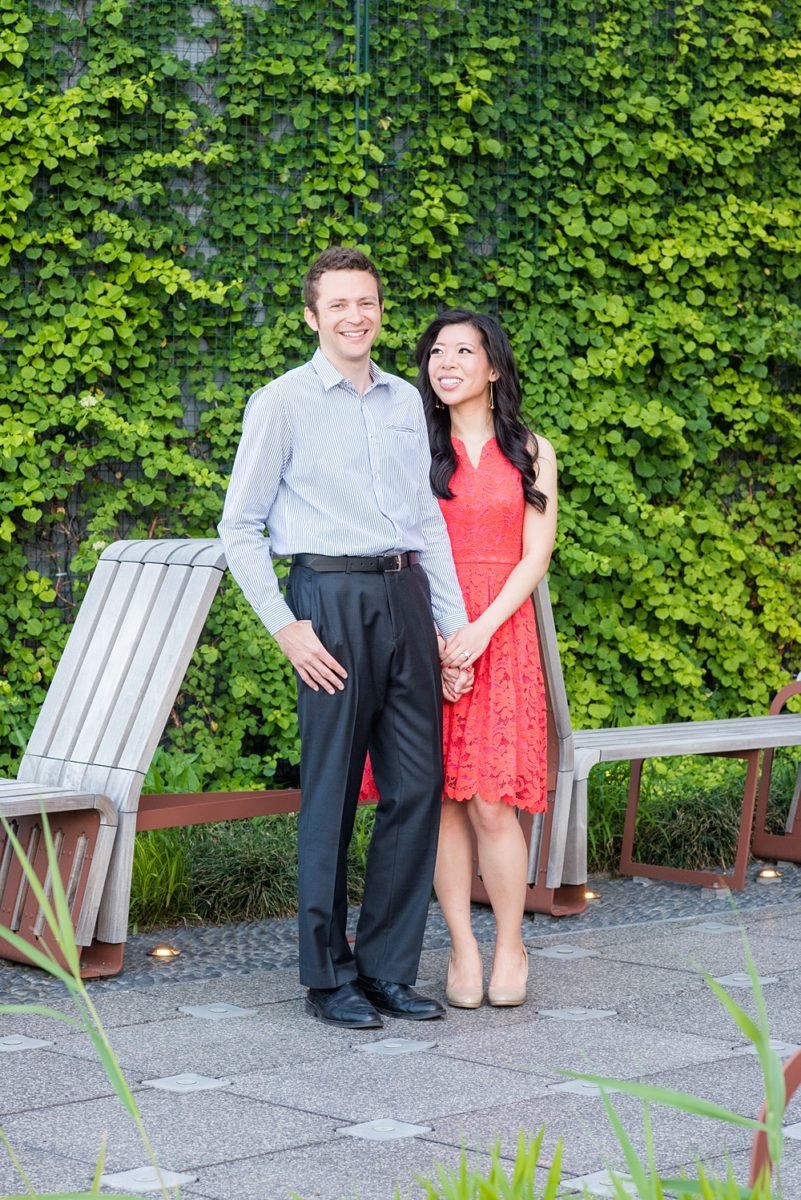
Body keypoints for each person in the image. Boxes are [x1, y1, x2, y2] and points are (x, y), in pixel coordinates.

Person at [218, 247, 469, 1031]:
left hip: (403, 593)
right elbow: (239, 525)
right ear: (312, 316)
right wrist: (286, 626)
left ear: (378, 309)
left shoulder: (403, 400)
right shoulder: (281, 402)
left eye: (366, 302)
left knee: (416, 787)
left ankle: (388, 969)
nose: (354, 316)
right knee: (329, 792)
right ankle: (326, 977)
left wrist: (451, 629)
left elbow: (427, 520)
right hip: (325, 599)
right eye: (338, 305)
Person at [365, 309, 557, 1008]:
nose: (445, 362)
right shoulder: (412, 447)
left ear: (493, 367)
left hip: (500, 636)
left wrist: (477, 631)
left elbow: (534, 555)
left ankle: (510, 942)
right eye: (435, 352)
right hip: (425, 632)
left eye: (462, 351)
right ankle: (462, 948)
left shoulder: (532, 449)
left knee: (489, 803)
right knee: (437, 799)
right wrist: (446, 637)